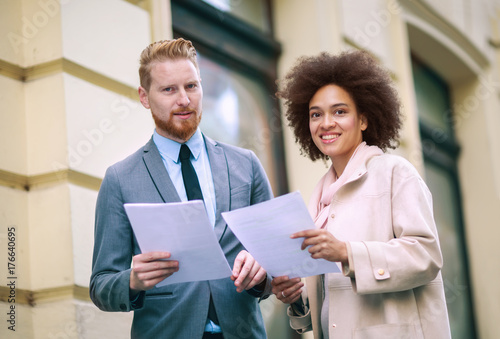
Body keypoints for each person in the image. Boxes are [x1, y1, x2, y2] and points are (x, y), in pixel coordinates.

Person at [90, 38, 273, 339]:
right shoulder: (120, 179)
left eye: (191, 86)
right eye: (168, 89)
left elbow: (278, 260)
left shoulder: (246, 165)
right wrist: (132, 281)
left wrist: (262, 271)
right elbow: (101, 286)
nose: (184, 100)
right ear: (144, 97)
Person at [271, 50, 451, 338]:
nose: (326, 123)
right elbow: (331, 302)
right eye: (316, 114)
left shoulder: (396, 173)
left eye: (339, 111)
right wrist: (297, 299)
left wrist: (346, 252)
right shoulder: (319, 197)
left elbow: (426, 256)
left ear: (364, 120)